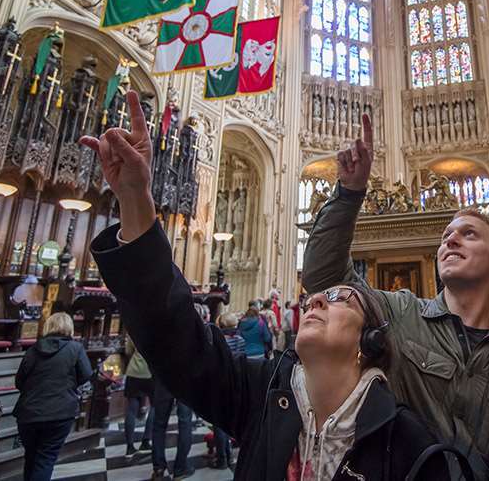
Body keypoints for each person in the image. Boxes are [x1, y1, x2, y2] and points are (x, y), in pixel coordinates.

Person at [80, 91, 456, 480]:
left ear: (370, 341)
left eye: (340, 297)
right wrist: (136, 200)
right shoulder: (263, 394)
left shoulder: (408, 444)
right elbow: (172, 334)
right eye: (318, 296)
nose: (316, 302)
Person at [302, 115, 489, 474]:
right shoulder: (400, 314)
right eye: (446, 236)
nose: (450, 240)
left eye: (468, 234)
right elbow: (324, 278)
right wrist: (348, 193)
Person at [14, 312, 94, 481]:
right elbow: (86, 374)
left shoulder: (34, 349)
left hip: (29, 412)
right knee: (45, 459)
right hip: (60, 411)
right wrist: (69, 385)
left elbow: (19, 381)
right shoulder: (75, 349)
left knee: (31, 457)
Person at [212, 312, 245, 469]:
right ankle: (230, 454)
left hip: (219, 381)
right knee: (231, 418)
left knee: (219, 422)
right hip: (236, 381)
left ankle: (222, 457)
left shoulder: (219, 340)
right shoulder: (240, 340)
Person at [122, 335, 154, 458]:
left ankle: (130, 447)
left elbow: (128, 350)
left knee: (131, 409)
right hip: (152, 372)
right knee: (154, 407)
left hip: (134, 371)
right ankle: (146, 441)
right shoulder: (160, 326)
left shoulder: (134, 324)